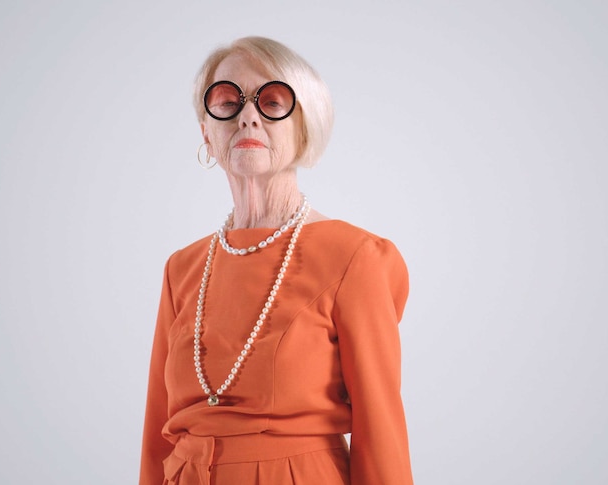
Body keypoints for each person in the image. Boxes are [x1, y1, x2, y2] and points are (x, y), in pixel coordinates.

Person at [140, 36, 413, 485]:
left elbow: (380, 433)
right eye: (228, 100)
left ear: (305, 127)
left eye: (272, 101)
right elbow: (157, 437)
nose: (248, 115)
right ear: (206, 132)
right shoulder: (182, 269)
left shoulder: (355, 258)